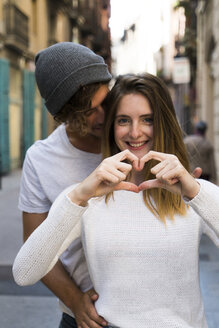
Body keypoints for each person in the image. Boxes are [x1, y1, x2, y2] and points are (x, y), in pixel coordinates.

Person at [13, 73, 218, 328]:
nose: (135, 132)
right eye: (123, 120)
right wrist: (79, 195)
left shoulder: (194, 193)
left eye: (148, 120)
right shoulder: (89, 198)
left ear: (163, 123)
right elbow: (24, 272)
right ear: (112, 126)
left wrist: (196, 192)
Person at [18, 41, 112, 328]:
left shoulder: (130, 135)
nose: (103, 117)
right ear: (65, 115)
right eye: (88, 111)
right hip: (81, 315)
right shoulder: (40, 158)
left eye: (105, 103)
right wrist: (74, 300)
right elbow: (35, 246)